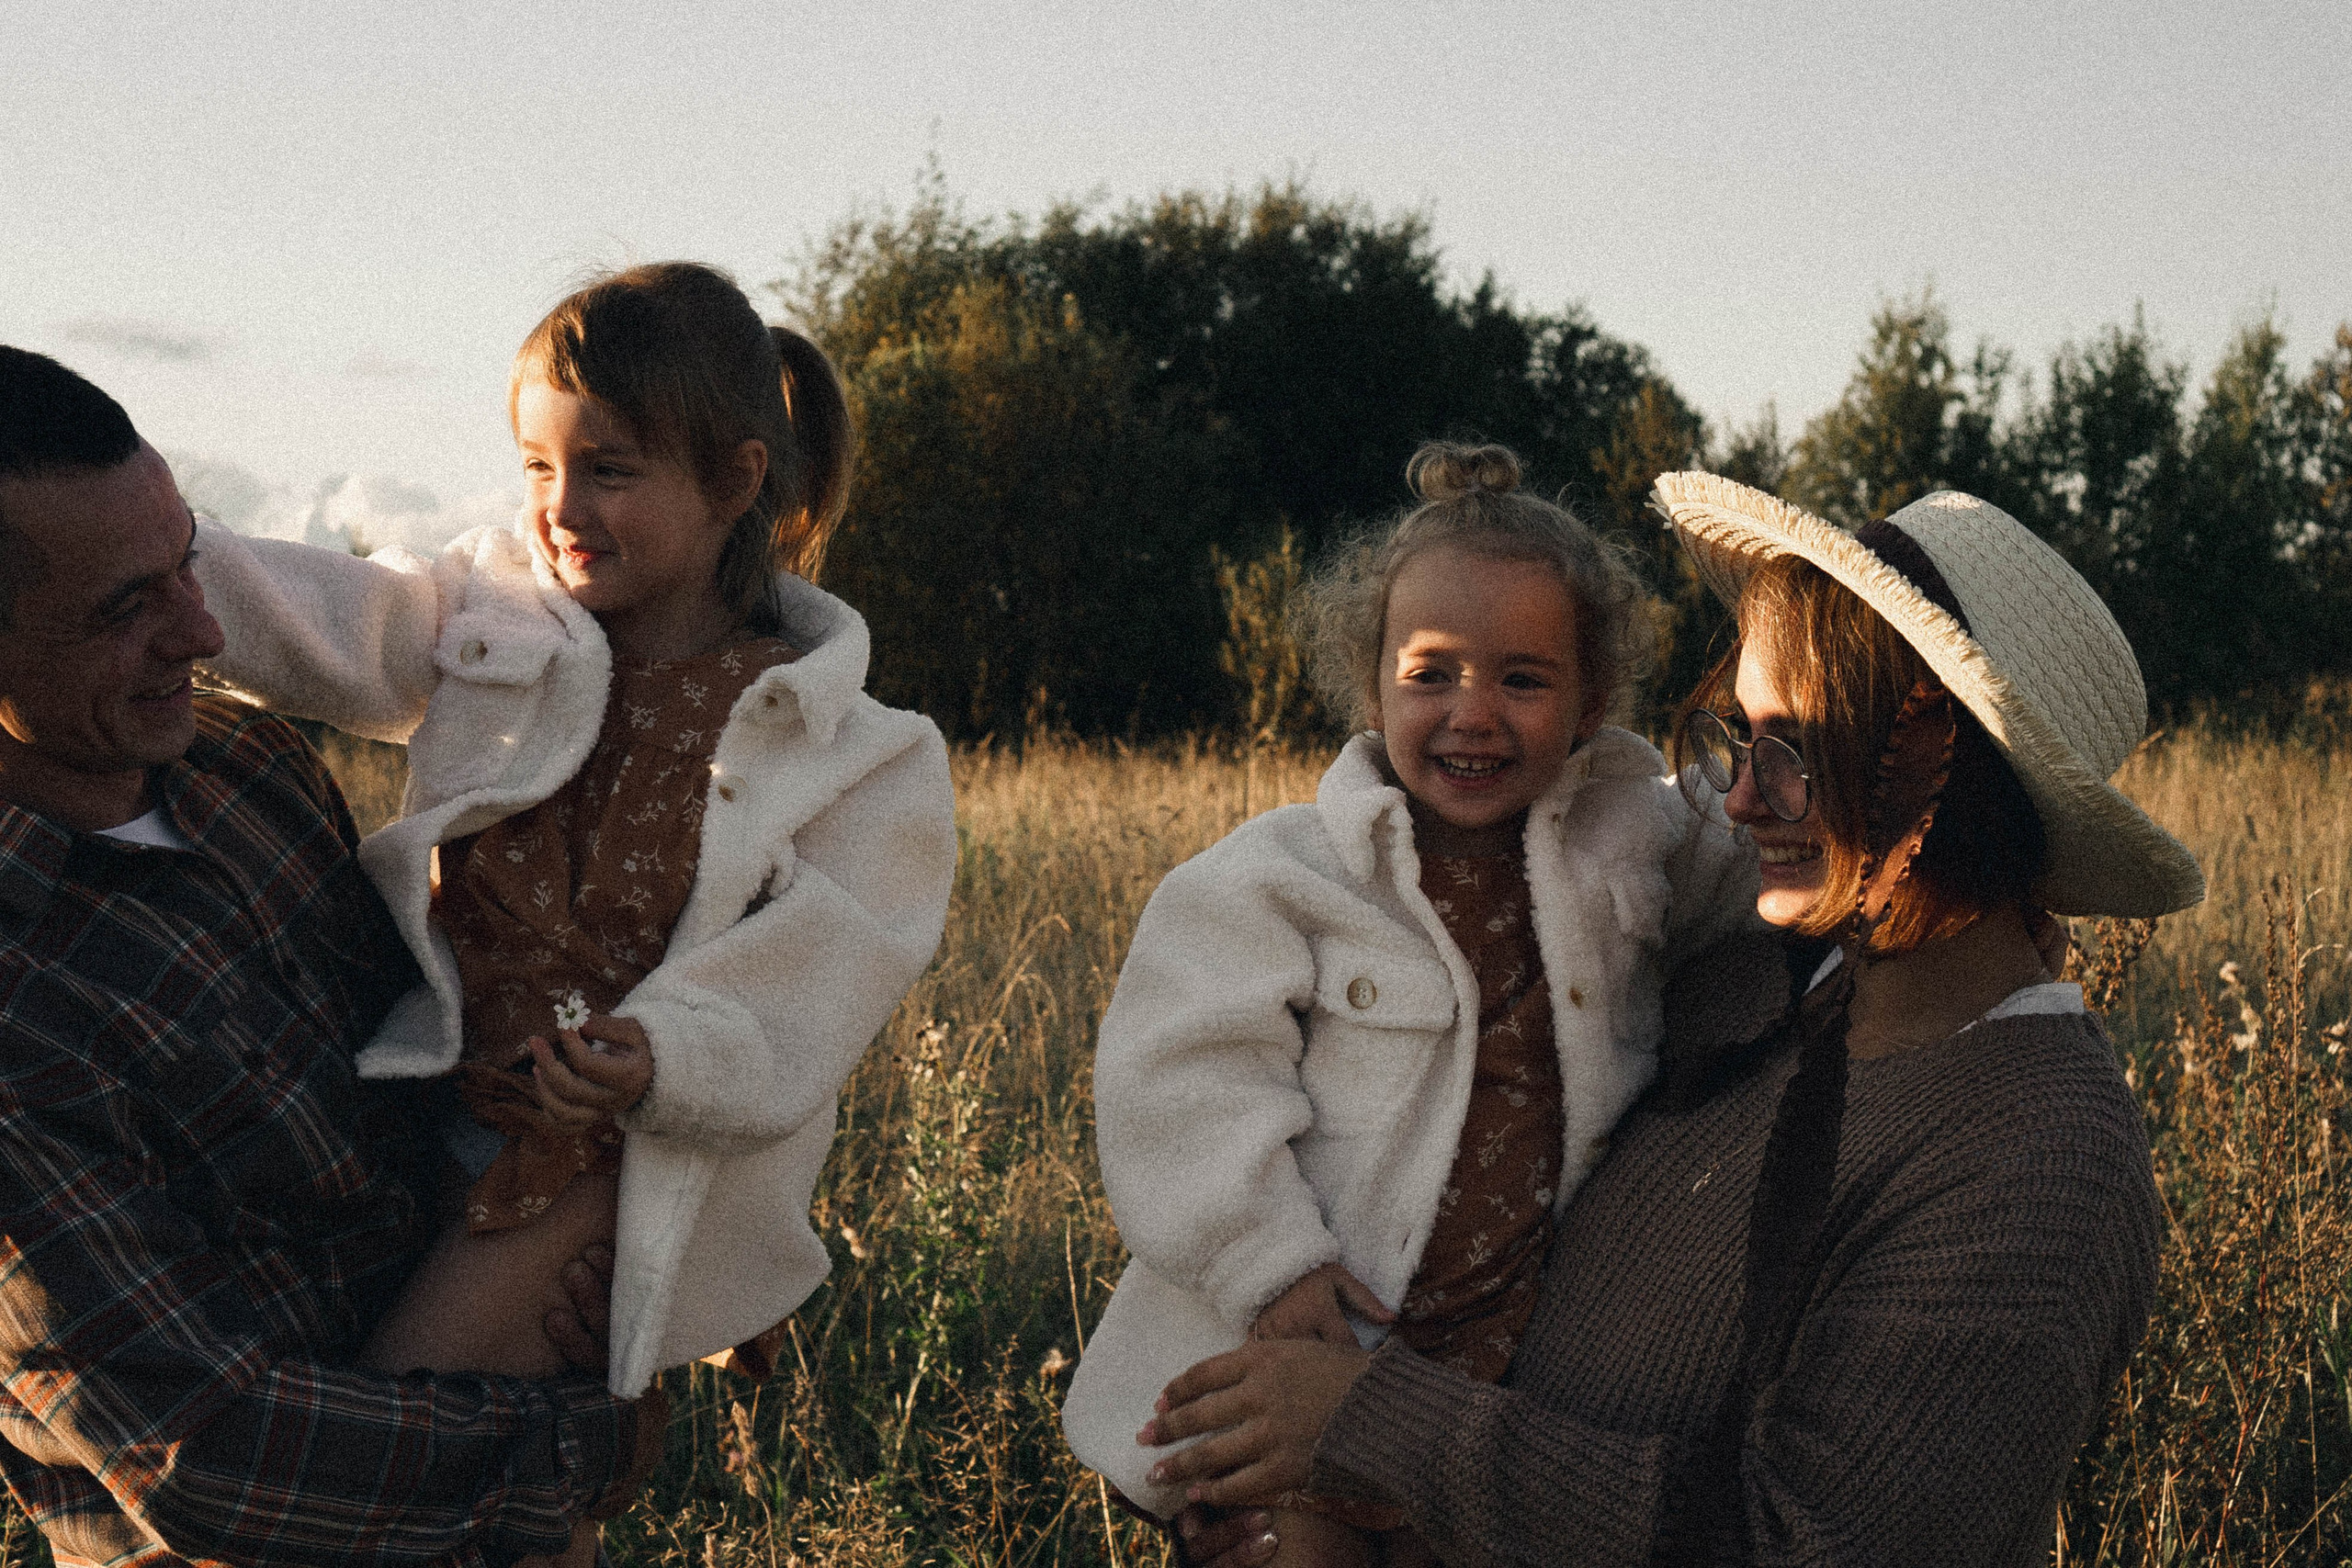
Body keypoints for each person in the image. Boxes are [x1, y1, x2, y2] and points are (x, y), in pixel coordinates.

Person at [1137, 476, 2200, 1567]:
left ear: (1949, 779)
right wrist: (1286, 1480)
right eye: (1740, 738)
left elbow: (1812, 1542)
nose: (1740, 801)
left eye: (1795, 750)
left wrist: (1366, 1428)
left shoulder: (2034, 1159)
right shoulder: (1753, 986)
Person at [187, 265, 958, 1564]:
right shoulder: (496, 619)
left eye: (608, 470)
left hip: (607, 1160)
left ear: (735, 480)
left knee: (385, 1448)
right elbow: (324, 616)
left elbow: (836, 956)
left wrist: (663, 1053)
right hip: (430, 1107)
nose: (559, 507)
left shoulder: (850, 742)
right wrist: (160, 549)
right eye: (535, 465)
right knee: (516, 1503)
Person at [0, 345, 662, 1567]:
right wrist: (579, 1438)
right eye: (123, 609)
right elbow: (211, 1454)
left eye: (185, 563)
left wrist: (646, 1252)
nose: (200, 630)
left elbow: (431, 1084)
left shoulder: (247, 771)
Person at [1062, 445, 1758, 1565]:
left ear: (1589, 705)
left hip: (1504, 1366)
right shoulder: (1285, 875)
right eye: (1430, 673)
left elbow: (1759, 865)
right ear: (1373, 680)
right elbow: (1180, 1075)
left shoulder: (1636, 837)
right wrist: (1267, 1262)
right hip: (1310, 1333)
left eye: (1522, 679)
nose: (1470, 713)